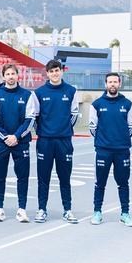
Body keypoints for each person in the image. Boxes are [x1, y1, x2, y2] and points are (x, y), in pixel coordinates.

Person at [0, 63, 38, 223]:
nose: (11, 77)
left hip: (21, 143)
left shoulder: (27, 95)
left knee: (23, 177)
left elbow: (30, 119)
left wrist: (17, 136)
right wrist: (6, 137)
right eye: (8, 74)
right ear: (3, 76)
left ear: (17, 75)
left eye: (13, 73)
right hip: (1, 143)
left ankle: (21, 210)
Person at [33, 59, 81, 224]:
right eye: (51, 71)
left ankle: (67, 210)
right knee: (43, 177)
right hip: (45, 141)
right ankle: (41, 210)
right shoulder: (38, 93)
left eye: (57, 70)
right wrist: (45, 131)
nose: (55, 73)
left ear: (62, 71)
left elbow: (74, 115)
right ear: (47, 73)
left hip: (64, 141)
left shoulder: (71, 91)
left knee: (65, 177)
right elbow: (35, 117)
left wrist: (63, 130)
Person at [88, 72, 132, 227]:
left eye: (115, 82)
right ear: (105, 84)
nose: (112, 84)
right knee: (100, 183)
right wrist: (104, 141)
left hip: (122, 150)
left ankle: (125, 213)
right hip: (103, 150)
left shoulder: (128, 104)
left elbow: (131, 126)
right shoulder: (96, 104)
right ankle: (97, 212)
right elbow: (92, 128)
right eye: (110, 82)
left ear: (120, 83)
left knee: (123, 183)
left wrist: (120, 139)